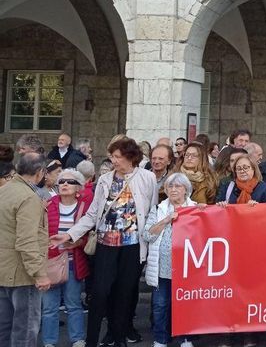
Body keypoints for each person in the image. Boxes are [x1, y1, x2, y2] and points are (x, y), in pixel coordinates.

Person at [51, 137, 159, 347]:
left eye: (117, 157)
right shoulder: (105, 179)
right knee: (99, 293)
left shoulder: (147, 178)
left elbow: (151, 211)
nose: (114, 161)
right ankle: (92, 340)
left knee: (124, 293)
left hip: (133, 246)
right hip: (105, 244)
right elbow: (93, 214)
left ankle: (119, 338)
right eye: (112, 156)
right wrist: (70, 234)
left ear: (130, 157)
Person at [0, 152, 50, 346]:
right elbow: (26, 240)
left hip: (4, 271)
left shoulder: (4, 191)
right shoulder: (28, 197)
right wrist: (39, 273)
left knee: (4, 330)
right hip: (23, 275)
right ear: (40, 172)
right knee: (25, 331)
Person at [144, 173, 199, 347]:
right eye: (170, 187)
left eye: (178, 186)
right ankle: (160, 339)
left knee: (185, 305)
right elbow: (147, 235)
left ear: (186, 190)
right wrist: (167, 220)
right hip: (162, 267)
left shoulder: (195, 209)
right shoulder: (158, 209)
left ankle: (185, 338)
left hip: (186, 268)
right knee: (160, 305)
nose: (173, 190)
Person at [42, 169, 92, 347]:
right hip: (51, 262)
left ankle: (77, 339)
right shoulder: (47, 204)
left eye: (70, 182)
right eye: (61, 181)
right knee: (49, 307)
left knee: (74, 304)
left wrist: (77, 243)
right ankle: (49, 342)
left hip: (74, 263)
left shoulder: (85, 208)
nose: (64, 184)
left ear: (78, 187)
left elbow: (89, 234)